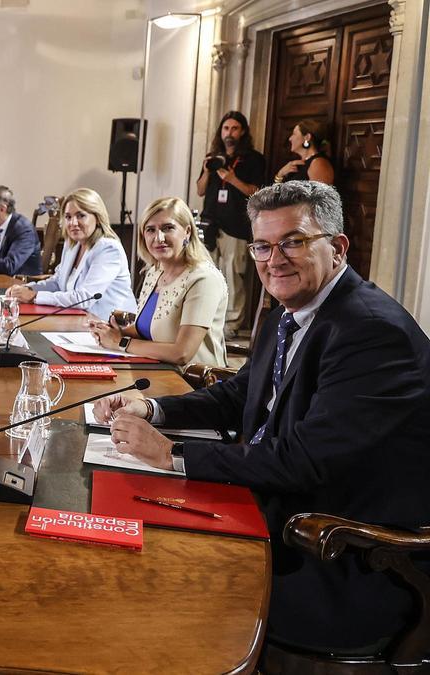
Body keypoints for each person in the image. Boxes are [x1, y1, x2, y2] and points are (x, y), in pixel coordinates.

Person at [95, 181, 430, 656]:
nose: (275, 259)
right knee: (120, 534)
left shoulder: (372, 332)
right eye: (263, 245)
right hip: (271, 507)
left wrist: (170, 453)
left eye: (293, 241)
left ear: (337, 247)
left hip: (341, 554)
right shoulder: (286, 314)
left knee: (157, 583)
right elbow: (237, 396)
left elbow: (303, 462)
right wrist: (152, 408)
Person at [89, 197, 227, 366]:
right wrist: (112, 332)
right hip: (155, 369)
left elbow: (181, 353)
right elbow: (147, 329)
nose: (159, 237)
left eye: (168, 228)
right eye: (150, 230)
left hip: (194, 383)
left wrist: (121, 342)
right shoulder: (154, 272)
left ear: (187, 231)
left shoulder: (204, 279)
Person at [5, 188, 135, 320]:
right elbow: (58, 282)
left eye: (81, 216)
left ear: (97, 217)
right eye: (68, 217)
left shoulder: (108, 249)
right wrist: (28, 289)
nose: (73, 223)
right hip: (78, 320)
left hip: (111, 327)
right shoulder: (72, 244)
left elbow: (84, 298)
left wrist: (34, 296)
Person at [196, 111, 266, 337]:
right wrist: (208, 171)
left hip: (236, 227)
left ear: (243, 131)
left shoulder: (253, 159)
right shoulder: (213, 157)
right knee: (209, 274)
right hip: (210, 226)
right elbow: (200, 189)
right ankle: (210, 319)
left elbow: (257, 192)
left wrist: (233, 179)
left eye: (234, 128)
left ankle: (232, 324)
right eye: (226, 128)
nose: (229, 133)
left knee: (233, 276)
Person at [274, 119, 335, 186]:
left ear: (307, 137)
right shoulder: (297, 163)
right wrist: (280, 174)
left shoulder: (318, 163)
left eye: (294, 134)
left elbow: (322, 195)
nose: (290, 138)